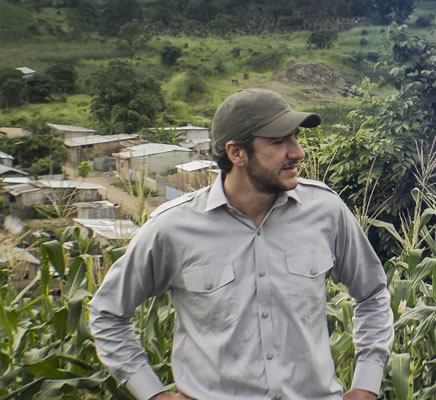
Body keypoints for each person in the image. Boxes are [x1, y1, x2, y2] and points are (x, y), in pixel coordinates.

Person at [89, 88, 394, 400]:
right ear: (236, 153)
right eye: (279, 142)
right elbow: (108, 313)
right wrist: (153, 394)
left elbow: (371, 294)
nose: (297, 152)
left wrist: (366, 384)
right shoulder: (172, 228)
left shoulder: (325, 211)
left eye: (295, 138)